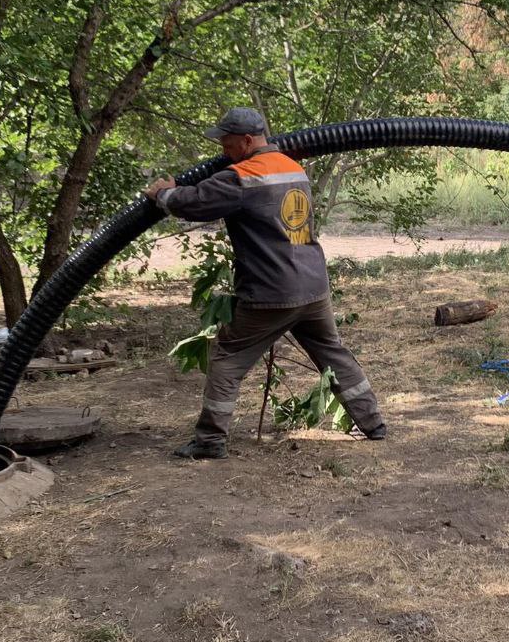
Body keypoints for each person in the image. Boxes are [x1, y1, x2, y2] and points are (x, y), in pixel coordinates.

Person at [144, 107, 386, 459]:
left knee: (227, 359)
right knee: (334, 355)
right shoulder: (293, 167)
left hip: (271, 292)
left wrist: (164, 194)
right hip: (313, 287)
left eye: (227, 143)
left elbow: (193, 203)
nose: (223, 151)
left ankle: (210, 441)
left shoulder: (241, 177)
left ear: (246, 140)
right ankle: (374, 424)